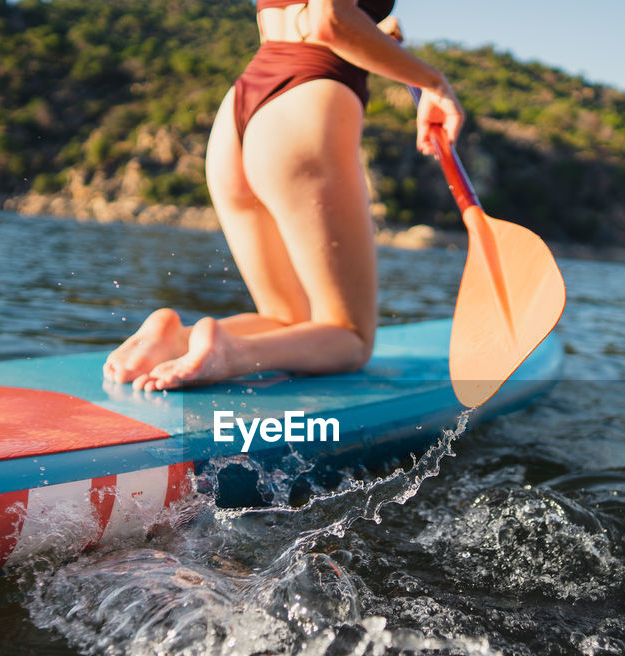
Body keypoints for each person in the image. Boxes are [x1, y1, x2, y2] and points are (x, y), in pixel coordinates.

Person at [103, 0, 465, 391]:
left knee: (286, 317)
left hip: (242, 107)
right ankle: (228, 351)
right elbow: (328, 22)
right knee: (350, 337)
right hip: (305, 97)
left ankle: (177, 338)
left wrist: (375, 33)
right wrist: (435, 82)